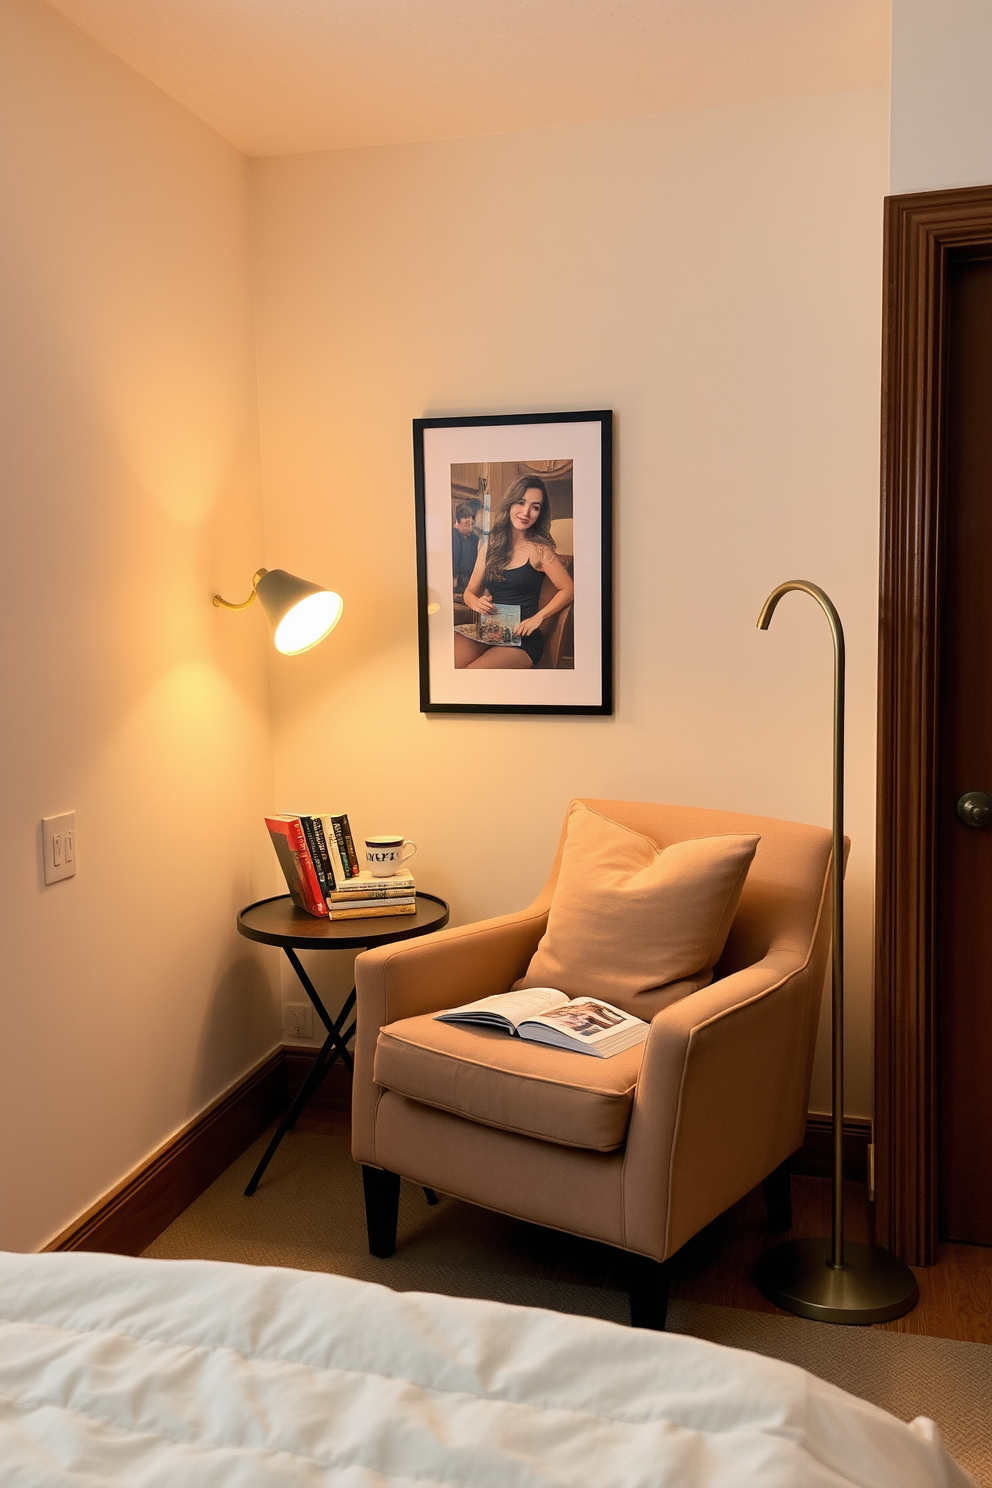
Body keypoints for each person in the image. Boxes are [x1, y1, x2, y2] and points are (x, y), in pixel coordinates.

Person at [454, 476, 573, 670]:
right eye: (521, 502)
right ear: (510, 503)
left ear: (540, 513)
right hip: (488, 631)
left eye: (535, 507)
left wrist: (538, 618)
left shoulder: (541, 550)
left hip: (522, 640)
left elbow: (568, 589)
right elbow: (469, 592)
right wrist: (476, 603)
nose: (526, 512)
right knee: (448, 663)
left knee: (472, 674)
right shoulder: (488, 545)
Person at [451, 501, 480, 594]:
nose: (469, 520)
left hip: (472, 581)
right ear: (458, 521)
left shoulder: (474, 538)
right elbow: (454, 560)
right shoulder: (454, 535)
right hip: (459, 582)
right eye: (465, 517)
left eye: (470, 517)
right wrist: (454, 580)